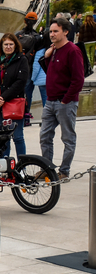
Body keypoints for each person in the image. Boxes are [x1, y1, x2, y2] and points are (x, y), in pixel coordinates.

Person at [39, 17, 85, 179]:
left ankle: (64, 171)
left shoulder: (72, 51)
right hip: (50, 101)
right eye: (50, 31)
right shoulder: (54, 50)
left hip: (65, 102)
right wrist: (46, 57)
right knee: (45, 136)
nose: (51, 34)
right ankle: (47, 168)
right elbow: (52, 72)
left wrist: (66, 99)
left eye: (55, 31)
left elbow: (78, 79)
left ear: (66, 32)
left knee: (68, 138)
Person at [0, 33, 29, 157]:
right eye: (6, 44)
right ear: (2, 46)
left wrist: (3, 98)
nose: (8, 47)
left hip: (14, 105)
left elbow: (20, 82)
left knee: (17, 137)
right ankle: (5, 166)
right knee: (3, 138)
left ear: (16, 46)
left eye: (11, 44)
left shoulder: (22, 60)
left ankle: (22, 165)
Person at [16, 12, 43, 127]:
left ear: (25, 21)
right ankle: (28, 116)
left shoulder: (18, 35)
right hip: (31, 68)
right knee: (30, 94)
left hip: (19, 68)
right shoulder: (38, 38)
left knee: (21, 93)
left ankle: (21, 116)